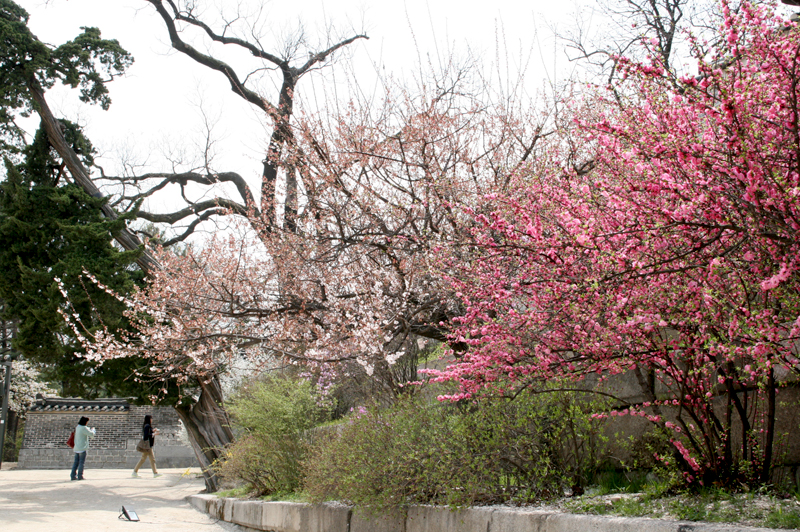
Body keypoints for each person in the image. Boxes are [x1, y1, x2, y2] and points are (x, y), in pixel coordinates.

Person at [70, 416, 95, 481]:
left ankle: (73, 475)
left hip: (77, 447)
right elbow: (91, 434)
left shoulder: (77, 427)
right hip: (82, 448)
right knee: (81, 463)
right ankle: (80, 476)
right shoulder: (84, 428)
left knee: (76, 462)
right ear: (85, 422)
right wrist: (93, 430)